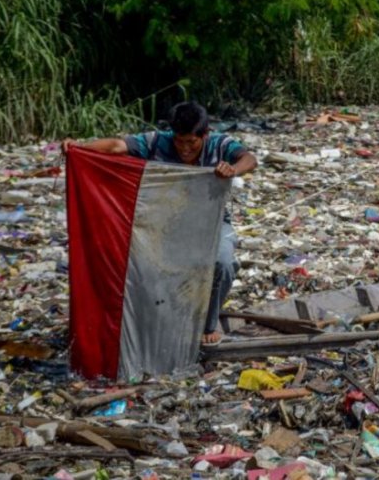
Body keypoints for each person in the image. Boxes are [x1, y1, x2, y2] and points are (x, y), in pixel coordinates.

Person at [62, 101, 257, 346]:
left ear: (205, 135)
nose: (185, 149)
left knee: (223, 263)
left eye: (191, 143)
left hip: (212, 221)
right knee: (139, 265)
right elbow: (116, 146)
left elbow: (249, 158)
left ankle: (208, 323)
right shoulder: (157, 141)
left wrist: (233, 169)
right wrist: (79, 147)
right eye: (180, 141)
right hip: (165, 222)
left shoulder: (219, 144)